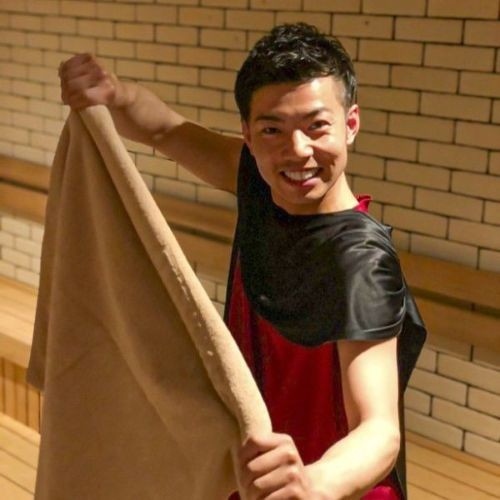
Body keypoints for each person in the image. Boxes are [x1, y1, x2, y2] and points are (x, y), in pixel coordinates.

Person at [59, 23, 425, 500]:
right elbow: (164, 128)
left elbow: (379, 430)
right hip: (255, 472)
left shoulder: (360, 261)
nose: (297, 151)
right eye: (273, 129)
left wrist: (314, 482)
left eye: (317, 126)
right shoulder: (260, 183)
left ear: (350, 124)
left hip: (327, 486)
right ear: (248, 135)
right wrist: (113, 93)